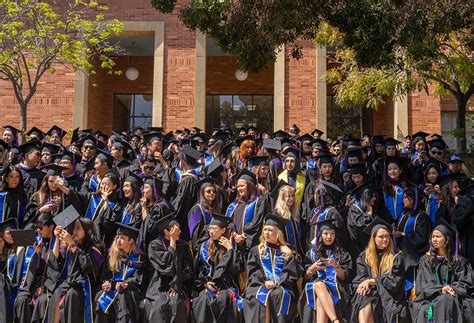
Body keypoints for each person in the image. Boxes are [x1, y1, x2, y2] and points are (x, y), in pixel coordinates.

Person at [47, 216, 105, 323]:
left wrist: (72, 245)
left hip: (87, 286)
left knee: (71, 294)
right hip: (71, 283)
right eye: (74, 228)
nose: (75, 231)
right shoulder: (75, 245)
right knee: (57, 294)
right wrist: (57, 239)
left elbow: (88, 268)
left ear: (87, 230)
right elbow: (56, 260)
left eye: (78, 228)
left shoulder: (96, 248)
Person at [350, 221, 410, 323]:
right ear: (373, 239)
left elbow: (395, 282)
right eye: (381, 237)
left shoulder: (396, 257)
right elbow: (361, 279)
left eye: (387, 236)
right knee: (363, 296)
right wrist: (367, 284)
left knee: (368, 298)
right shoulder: (364, 257)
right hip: (371, 294)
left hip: (390, 296)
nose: (385, 239)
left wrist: (372, 281)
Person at [244, 214, 300, 322]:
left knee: (280, 294)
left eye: (270, 230)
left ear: (278, 233)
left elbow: (293, 272)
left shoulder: (288, 250)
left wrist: (289, 257)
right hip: (260, 284)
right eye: (264, 230)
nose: (266, 233)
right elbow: (253, 272)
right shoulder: (257, 250)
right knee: (257, 299)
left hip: (284, 286)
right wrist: (264, 282)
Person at [413, 224, 474, 322]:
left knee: (448, 300)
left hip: (455, 296)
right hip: (432, 296)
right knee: (426, 306)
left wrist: (451, 288)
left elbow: (466, 283)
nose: (434, 239)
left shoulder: (460, 261)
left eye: (438, 236)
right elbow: (425, 283)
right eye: (433, 237)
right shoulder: (426, 260)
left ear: (447, 239)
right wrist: (441, 289)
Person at [192, 214, 245, 323]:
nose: (211, 231)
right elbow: (198, 271)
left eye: (214, 228)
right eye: (210, 228)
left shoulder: (232, 246)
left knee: (225, 299)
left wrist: (230, 249)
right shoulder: (203, 247)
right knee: (203, 300)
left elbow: (236, 270)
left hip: (226, 284)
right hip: (209, 284)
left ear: (223, 230)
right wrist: (204, 283)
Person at [300, 219, 352, 323]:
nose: (329, 237)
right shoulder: (311, 253)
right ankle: (335, 320)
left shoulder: (341, 253)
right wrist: (313, 267)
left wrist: (335, 266)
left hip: (336, 288)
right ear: (320, 235)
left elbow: (343, 277)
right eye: (326, 233)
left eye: (332, 233)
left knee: (320, 300)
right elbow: (305, 277)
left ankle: (335, 320)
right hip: (313, 289)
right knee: (319, 284)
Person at [144, 213, 193, 323]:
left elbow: (187, 269)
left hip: (179, 285)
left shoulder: (183, 245)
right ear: (167, 231)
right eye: (176, 229)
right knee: (158, 306)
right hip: (158, 286)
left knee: (178, 304)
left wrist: (176, 285)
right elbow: (166, 266)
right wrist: (172, 242)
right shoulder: (154, 246)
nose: (180, 232)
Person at [95, 224, 147, 323]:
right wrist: (107, 282)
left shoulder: (139, 258)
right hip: (115, 287)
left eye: (122, 238)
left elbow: (139, 278)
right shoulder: (113, 255)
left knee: (123, 295)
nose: (118, 240)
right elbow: (107, 275)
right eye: (117, 237)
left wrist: (127, 283)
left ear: (131, 241)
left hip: (131, 289)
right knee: (99, 296)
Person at [394, 187, 431, 298]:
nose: (403, 200)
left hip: (415, 258)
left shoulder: (422, 216)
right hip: (402, 256)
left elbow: (422, 238)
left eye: (406, 197)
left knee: (414, 287)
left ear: (414, 200)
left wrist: (403, 234)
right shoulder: (404, 215)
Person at [225, 169, 269, 255]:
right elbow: (229, 222)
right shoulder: (235, 204)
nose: (239, 189)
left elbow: (258, 222)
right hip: (237, 246)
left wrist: (244, 236)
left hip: (253, 245)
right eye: (238, 186)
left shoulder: (259, 201)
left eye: (242, 186)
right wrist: (235, 235)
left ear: (250, 186)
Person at [187, 178, 220, 250]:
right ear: (202, 193)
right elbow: (194, 233)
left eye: (214, 191)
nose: (212, 193)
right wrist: (212, 228)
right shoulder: (197, 209)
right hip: (202, 247)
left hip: (215, 245)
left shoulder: (215, 208)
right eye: (208, 191)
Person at [273, 184, 304, 256]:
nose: (291, 198)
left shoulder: (295, 213)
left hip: (296, 251)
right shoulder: (277, 214)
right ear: (282, 198)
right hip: (284, 252)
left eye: (293, 196)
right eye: (288, 196)